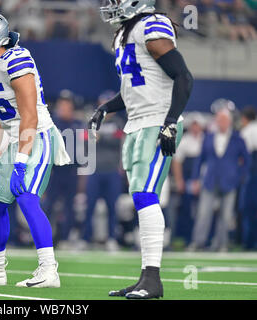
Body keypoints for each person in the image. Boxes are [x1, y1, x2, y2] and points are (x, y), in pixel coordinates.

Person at [0, 11, 70, 288]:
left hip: (38, 135)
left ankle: (49, 270)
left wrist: (20, 162)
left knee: (26, 197)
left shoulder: (17, 59)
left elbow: (29, 115)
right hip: (12, 136)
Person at [89, 0, 193, 299]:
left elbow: (183, 76)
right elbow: (136, 87)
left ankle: (153, 280)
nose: (110, 4)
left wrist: (171, 121)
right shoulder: (124, 33)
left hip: (158, 120)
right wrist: (106, 108)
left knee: (147, 195)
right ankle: (144, 278)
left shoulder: (151, 25)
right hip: (137, 123)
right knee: (139, 197)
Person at [188, 107, 249, 252]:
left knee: (226, 215)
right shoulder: (208, 137)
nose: (222, 123)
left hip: (229, 181)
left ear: (229, 122)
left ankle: (221, 244)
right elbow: (200, 159)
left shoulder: (238, 139)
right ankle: (198, 242)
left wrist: (239, 176)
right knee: (203, 213)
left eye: (224, 120)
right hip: (210, 180)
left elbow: (246, 161)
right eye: (219, 120)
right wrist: (195, 179)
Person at [82, 90, 125, 251]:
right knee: (90, 206)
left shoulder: (119, 123)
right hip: (95, 170)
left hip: (112, 170)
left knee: (112, 207)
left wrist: (102, 139)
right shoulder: (93, 122)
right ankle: (86, 238)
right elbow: (86, 143)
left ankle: (112, 238)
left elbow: (118, 141)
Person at [42, 89, 83, 247]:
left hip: (71, 170)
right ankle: (43, 238)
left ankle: (65, 238)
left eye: (67, 104)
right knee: (48, 205)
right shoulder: (51, 123)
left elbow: (84, 149)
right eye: (62, 104)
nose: (64, 107)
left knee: (69, 206)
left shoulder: (78, 124)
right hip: (54, 171)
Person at [171, 112, 205, 245]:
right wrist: (180, 181)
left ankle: (203, 239)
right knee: (188, 209)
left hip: (204, 180)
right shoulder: (184, 140)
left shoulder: (207, 139)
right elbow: (177, 162)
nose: (195, 128)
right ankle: (187, 238)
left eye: (198, 125)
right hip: (188, 178)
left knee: (203, 211)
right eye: (193, 125)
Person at [239, 106, 257, 249]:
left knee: (249, 207)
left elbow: (243, 157)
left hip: (252, 172)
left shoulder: (247, 131)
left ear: (245, 118)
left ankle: (249, 242)